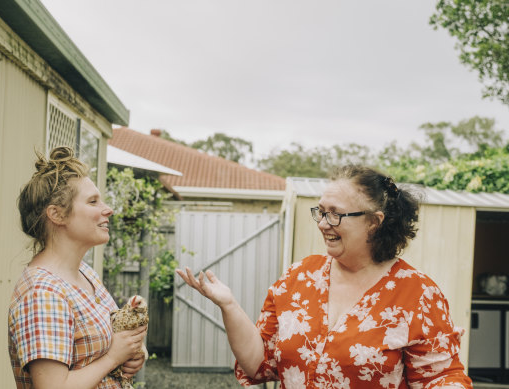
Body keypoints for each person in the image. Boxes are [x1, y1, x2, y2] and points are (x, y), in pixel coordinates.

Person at [177, 164, 473, 388]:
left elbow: (443, 378)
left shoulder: (418, 293)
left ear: (374, 222)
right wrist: (228, 306)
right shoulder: (298, 277)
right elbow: (258, 364)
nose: (322, 223)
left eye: (335, 214)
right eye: (319, 212)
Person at [8, 146, 147, 389]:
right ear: (57, 215)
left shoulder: (85, 273)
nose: (108, 209)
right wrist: (113, 357)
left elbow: (104, 345)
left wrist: (133, 349)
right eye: (93, 201)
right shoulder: (43, 293)